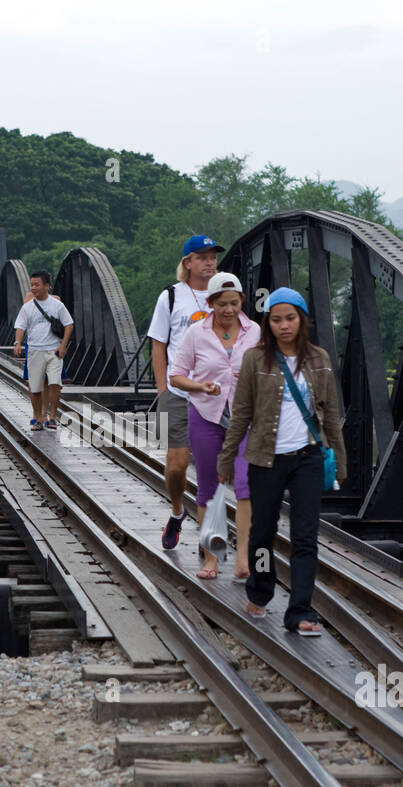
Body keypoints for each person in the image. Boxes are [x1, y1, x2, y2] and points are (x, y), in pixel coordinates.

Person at [217, 287, 348, 634]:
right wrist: (227, 457)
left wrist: (341, 462)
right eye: (276, 320)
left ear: (302, 320)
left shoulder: (319, 359)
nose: (284, 326)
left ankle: (301, 611)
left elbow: (331, 416)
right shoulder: (255, 360)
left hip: (308, 458)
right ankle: (260, 592)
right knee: (262, 533)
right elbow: (241, 413)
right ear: (268, 323)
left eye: (290, 318)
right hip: (265, 458)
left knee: (305, 537)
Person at [168, 272, 260, 580]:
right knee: (209, 488)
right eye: (222, 304)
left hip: (246, 420)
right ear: (210, 303)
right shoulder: (197, 332)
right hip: (206, 417)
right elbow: (176, 375)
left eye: (234, 303)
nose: (229, 310)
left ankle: (243, 557)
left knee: (246, 487)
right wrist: (199, 386)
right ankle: (211, 558)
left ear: (242, 301)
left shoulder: (255, 332)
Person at [148, 234, 222, 549]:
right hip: (177, 396)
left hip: (216, 398)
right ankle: (178, 511)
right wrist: (162, 388)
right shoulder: (171, 296)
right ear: (187, 263)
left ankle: (211, 536)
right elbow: (158, 344)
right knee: (176, 465)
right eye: (202, 256)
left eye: (213, 256)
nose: (209, 262)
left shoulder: (225, 297)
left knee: (213, 470)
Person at [12, 269, 73, 431]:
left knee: (55, 384)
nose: (33, 288)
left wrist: (63, 345)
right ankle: (38, 417)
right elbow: (20, 326)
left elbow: (69, 324)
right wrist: (18, 342)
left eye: (37, 285)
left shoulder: (57, 305)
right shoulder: (27, 306)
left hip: (53, 350)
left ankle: (52, 417)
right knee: (36, 387)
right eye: (32, 285)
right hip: (34, 350)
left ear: (47, 286)